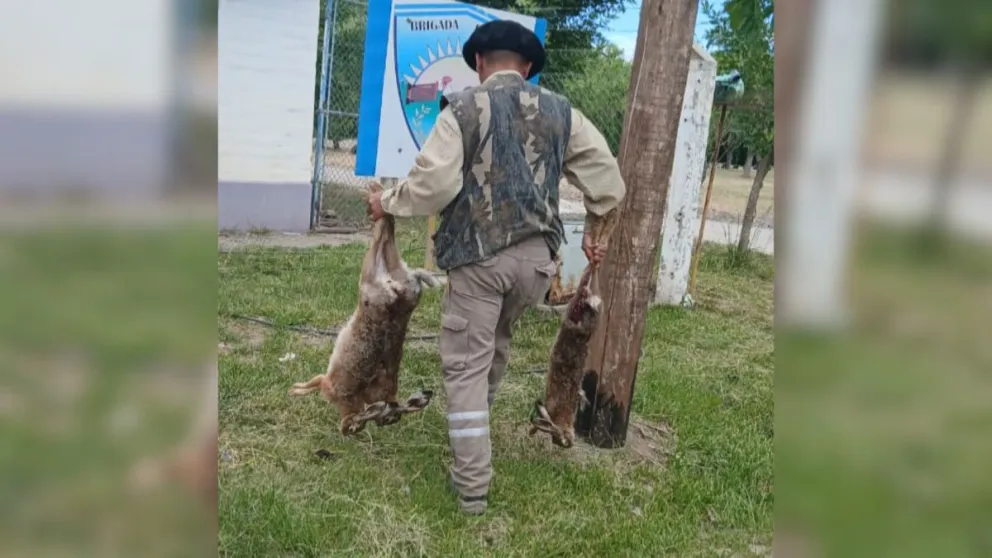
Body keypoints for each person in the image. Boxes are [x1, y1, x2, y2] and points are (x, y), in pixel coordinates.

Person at [365, 19, 626, 515]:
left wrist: (389, 203)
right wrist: (595, 229)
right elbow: (609, 183)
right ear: (526, 68)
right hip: (536, 268)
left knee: (465, 366)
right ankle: (474, 442)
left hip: (479, 261)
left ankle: (471, 488)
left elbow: (434, 185)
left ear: (480, 64)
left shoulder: (462, 108)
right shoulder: (562, 113)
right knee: (493, 348)